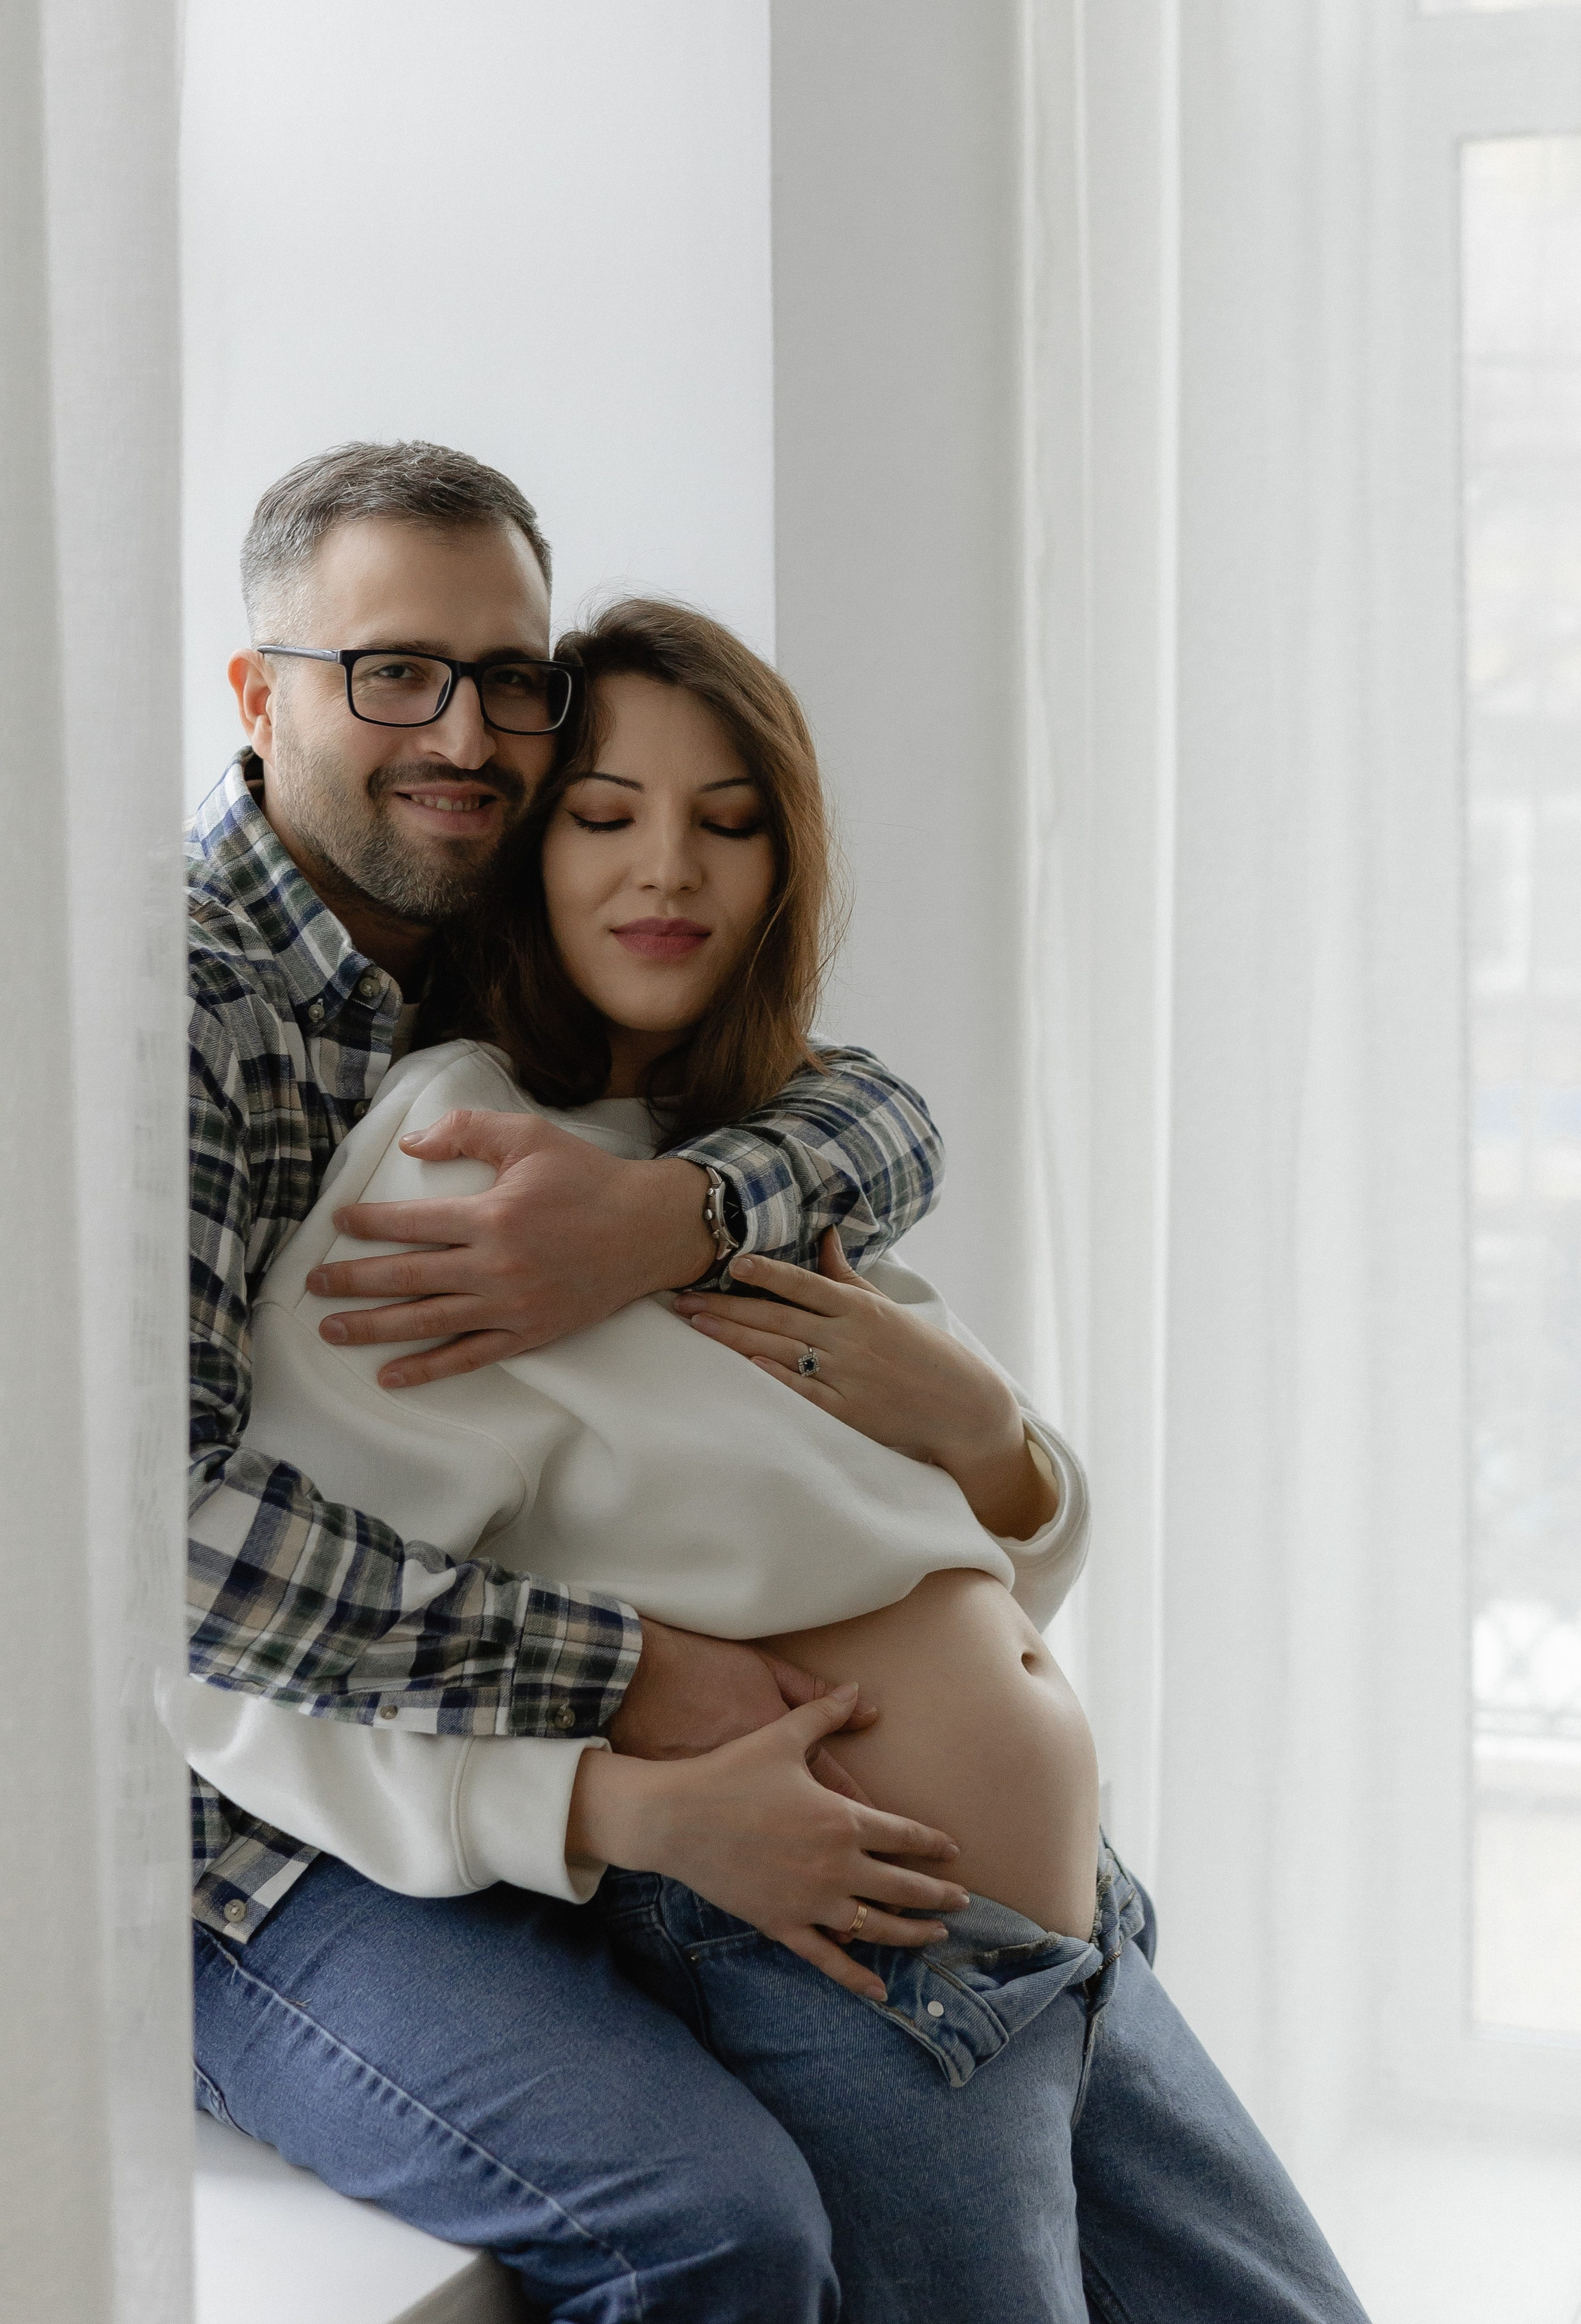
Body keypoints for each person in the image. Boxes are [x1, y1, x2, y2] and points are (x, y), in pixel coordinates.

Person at [186, 589, 1373, 2323]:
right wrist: (619, 1810)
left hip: (1066, 1928)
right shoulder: (456, 1171)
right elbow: (258, 1679)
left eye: (726, 824)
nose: (667, 869)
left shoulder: (756, 1160)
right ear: (527, 854)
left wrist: (990, 1444)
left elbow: (925, 1555)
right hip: (861, 1950)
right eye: (603, 815)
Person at [185, 441, 971, 2323]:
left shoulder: (475, 936)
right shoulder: (189, 1013)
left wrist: (670, 1218)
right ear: (258, 693)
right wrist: (625, 1685)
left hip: (496, 1776)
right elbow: (162, 1549)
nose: (462, 732)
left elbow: (875, 1108)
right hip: (240, 1858)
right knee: (716, 2224)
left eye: (507, 677)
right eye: (393, 671)